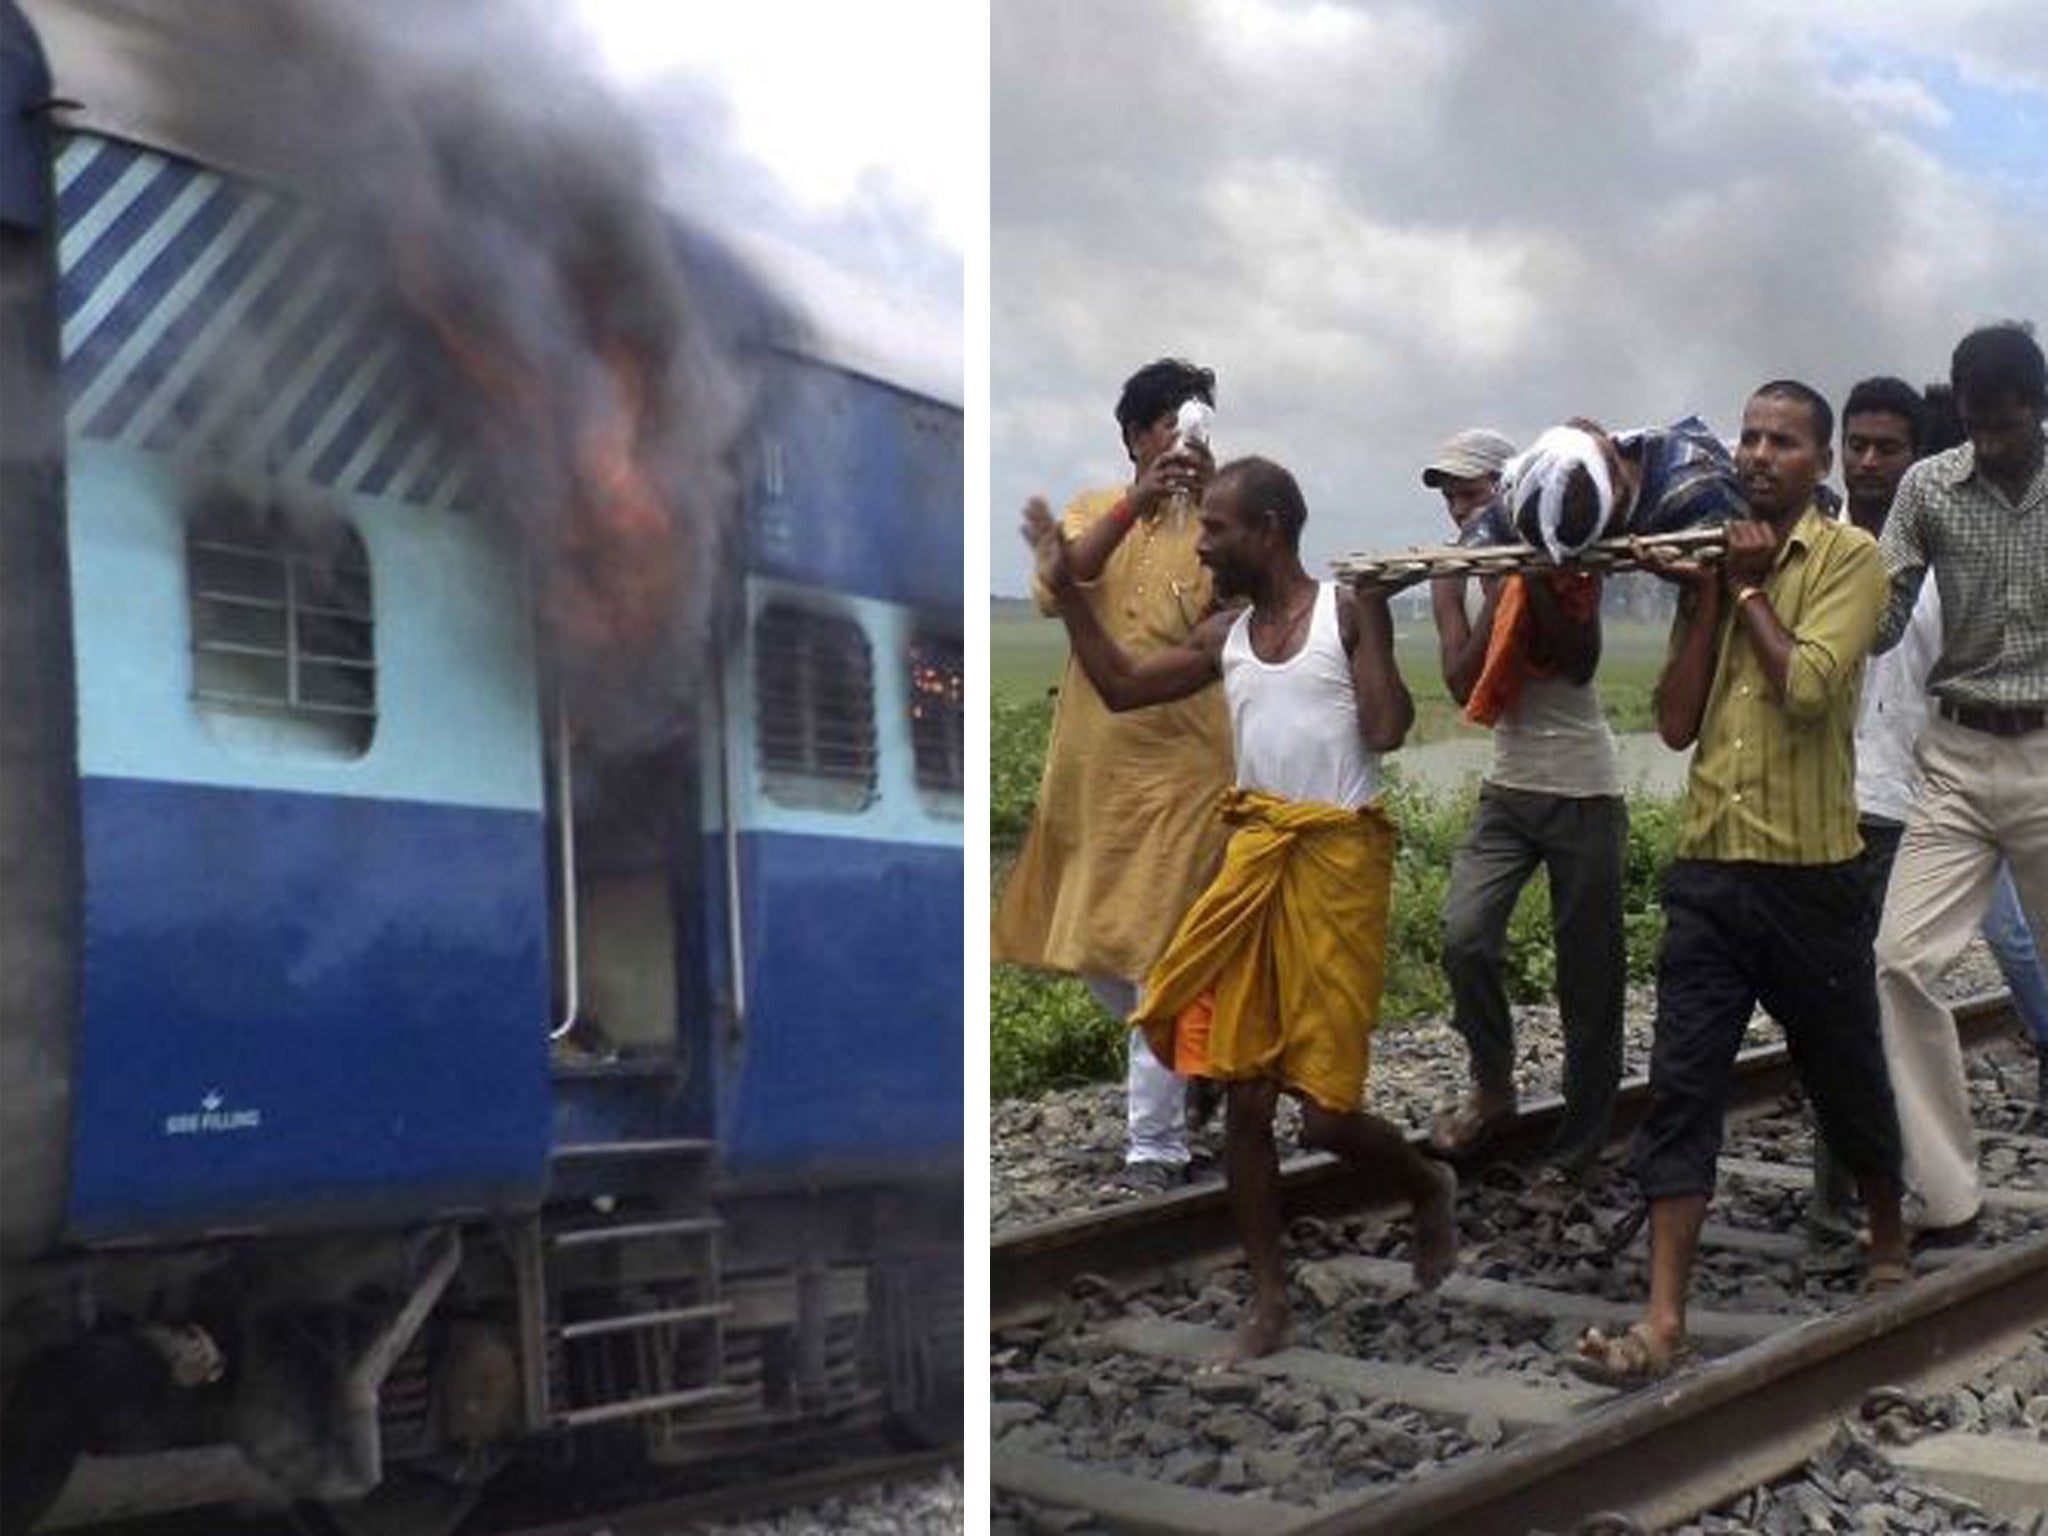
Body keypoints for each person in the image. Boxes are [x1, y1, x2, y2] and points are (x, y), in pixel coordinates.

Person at [1025, 455, 1459, 1363]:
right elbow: (1123, 686)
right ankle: (1269, 1301)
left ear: (1268, 530)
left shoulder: (1343, 613)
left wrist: (1377, 622)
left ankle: (1423, 1183)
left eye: (1216, 528)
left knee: (1328, 1119)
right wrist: (1070, 597)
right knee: (1250, 1105)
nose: (1203, 543)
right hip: (1255, 862)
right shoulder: (1227, 631)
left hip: (1336, 867)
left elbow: (1384, 731)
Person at [1574, 381, 1908, 1386]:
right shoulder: (1714, 565)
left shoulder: (1853, 560)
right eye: (1749, 440)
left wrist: (1752, 589)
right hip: (1711, 871)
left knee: (1843, 1068)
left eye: (1783, 443)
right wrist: (1706, 595)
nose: (1759, 456)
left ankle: (1885, 1240)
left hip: (1810, 876)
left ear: (1818, 465)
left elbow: (1806, 690)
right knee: (1680, 1088)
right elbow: (1675, 724)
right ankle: (1662, 1320)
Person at [992, 359, 1235, 1191]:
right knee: (1096, 946)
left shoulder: (1218, 523)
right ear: (1135, 436)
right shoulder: (1096, 507)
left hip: (1184, 773)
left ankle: (1155, 1144)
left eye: (1193, 426)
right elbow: (1063, 582)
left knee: (1158, 952)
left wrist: (1208, 505)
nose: (1180, 442)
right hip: (1092, 774)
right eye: (1166, 426)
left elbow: (1240, 601)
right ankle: (1192, 1062)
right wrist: (1140, 501)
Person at [1871, 323, 2048, 1239]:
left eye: (2008, 429)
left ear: (2039, 413)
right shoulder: (1929, 487)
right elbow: (1883, 616)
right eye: (1977, 428)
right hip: (1957, 755)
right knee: (1901, 962)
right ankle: (1948, 1195)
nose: (1991, 445)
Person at [1421, 430, 1625, 1187]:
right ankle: (1494, 1083)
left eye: (1472, 493)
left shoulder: (1571, 555)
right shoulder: (1457, 575)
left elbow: (1579, 659)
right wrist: (1500, 585)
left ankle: (1578, 1146)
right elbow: (1460, 680)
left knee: (1590, 979)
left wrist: (1534, 574)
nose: (1459, 509)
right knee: (1465, 937)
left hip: (1583, 788)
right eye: (1450, 497)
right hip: (1509, 786)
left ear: (1512, 493)